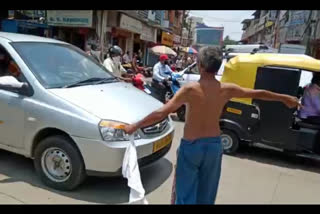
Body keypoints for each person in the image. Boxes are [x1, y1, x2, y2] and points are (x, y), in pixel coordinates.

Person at [123, 46, 300, 204]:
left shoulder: (190, 90)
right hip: (214, 146)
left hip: (191, 148)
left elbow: (162, 112)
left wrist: (135, 126)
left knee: (185, 195)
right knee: (207, 194)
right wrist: (285, 98)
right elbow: (258, 93)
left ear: (200, 65)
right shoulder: (226, 89)